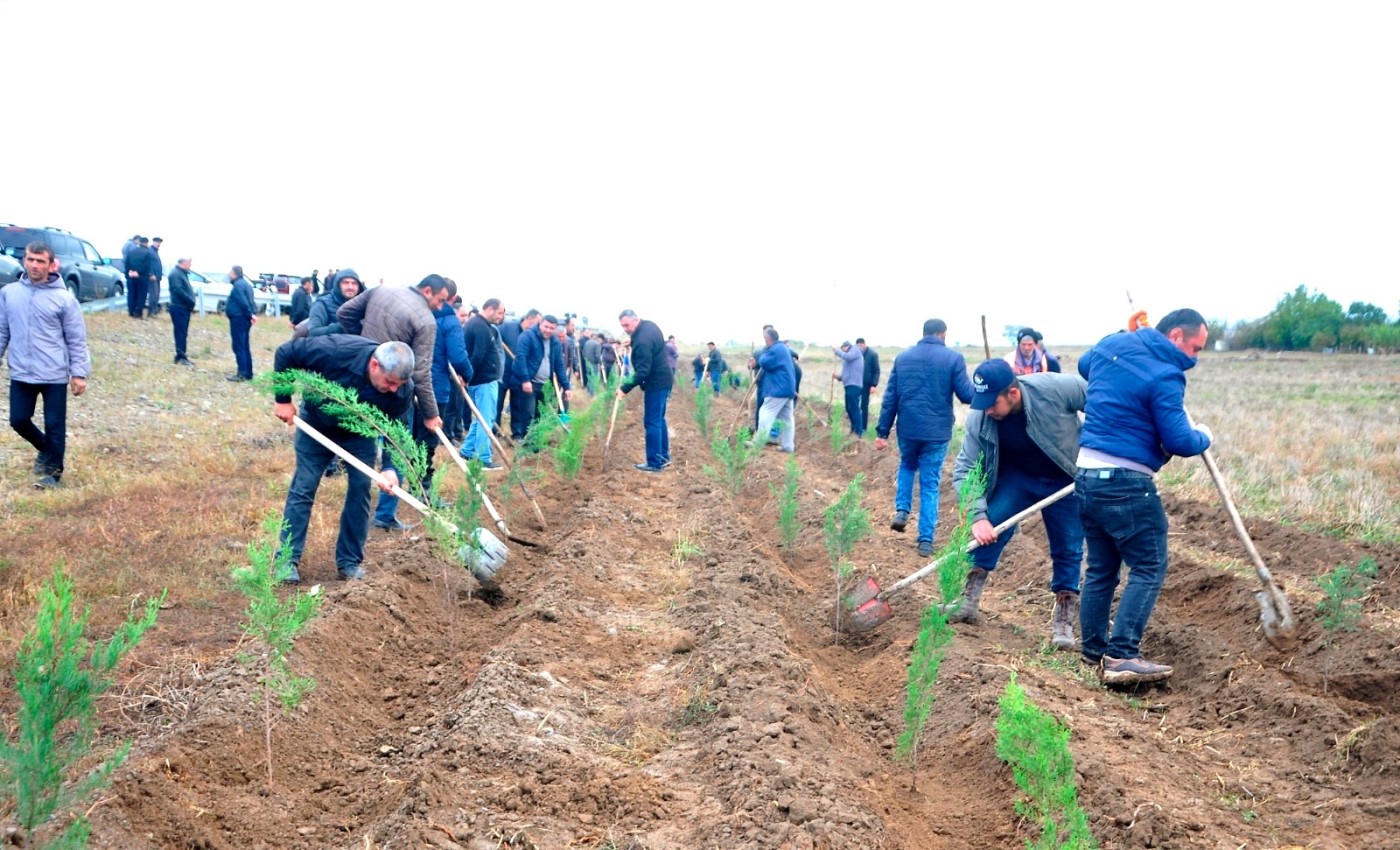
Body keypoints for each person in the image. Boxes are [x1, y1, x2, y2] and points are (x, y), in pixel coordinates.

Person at [1076, 308, 1213, 686]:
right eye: (1195, 348)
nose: (1195, 358)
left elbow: (1087, 365)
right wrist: (1203, 434)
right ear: (1174, 337)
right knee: (1150, 565)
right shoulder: (1166, 375)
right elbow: (1179, 442)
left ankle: (1092, 653)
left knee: (1102, 568)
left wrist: (1126, 333)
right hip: (1127, 482)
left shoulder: (1112, 344)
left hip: (1086, 476)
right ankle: (1121, 656)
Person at [948, 360, 1087, 649]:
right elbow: (964, 470)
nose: (986, 409)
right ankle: (967, 601)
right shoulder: (980, 417)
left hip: (1065, 478)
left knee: (1069, 547)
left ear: (1012, 393)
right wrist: (978, 517)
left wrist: (1099, 447)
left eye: (992, 403)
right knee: (991, 526)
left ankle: (1063, 621)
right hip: (1018, 478)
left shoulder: (1055, 388)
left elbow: (1104, 400)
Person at [272, 337, 415, 583]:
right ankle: (286, 560)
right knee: (304, 486)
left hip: (358, 434)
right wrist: (283, 398)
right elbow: (286, 352)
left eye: (398, 384)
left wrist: (390, 468)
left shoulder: (402, 389)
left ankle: (349, 562)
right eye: (390, 382)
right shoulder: (336, 351)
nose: (394, 389)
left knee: (360, 489)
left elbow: (397, 430)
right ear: (374, 365)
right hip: (316, 423)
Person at [338, 274, 451, 531]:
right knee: (398, 449)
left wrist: (365, 348)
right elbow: (421, 373)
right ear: (427, 291)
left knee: (363, 444)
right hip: (395, 391)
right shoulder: (425, 321)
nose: (440, 306)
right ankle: (385, 515)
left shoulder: (382, 290)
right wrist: (430, 413)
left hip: (365, 377)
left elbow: (345, 313)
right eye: (440, 300)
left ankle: (360, 511)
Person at [874, 319, 974, 558]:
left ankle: (901, 510)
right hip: (937, 432)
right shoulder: (953, 359)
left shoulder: (903, 358)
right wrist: (985, 387)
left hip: (908, 427)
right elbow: (966, 395)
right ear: (943, 334)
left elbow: (890, 398)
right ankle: (926, 541)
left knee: (907, 465)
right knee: (930, 484)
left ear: (924, 333)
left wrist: (882, 432)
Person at [0, 242, 91, 488]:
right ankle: (46, 449)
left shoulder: (64, 299)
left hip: (53, 374)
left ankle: (53, 475)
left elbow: (76, 339)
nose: (34, 265)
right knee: (18, 420)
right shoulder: (9, 293)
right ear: (24, 261)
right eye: (30, 259)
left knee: (55, 426)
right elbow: (2, 330)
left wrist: (79, 374)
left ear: (51, 265)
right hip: (21, 371)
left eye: (40, 261)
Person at [618, 309, 673, 472]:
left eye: (627, 325)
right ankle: (663, 457)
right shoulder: (649, 326)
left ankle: (654, 463)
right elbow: (645, 342)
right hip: (665, 379)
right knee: (659, 419)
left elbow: (642, 372)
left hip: (656, 382)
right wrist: (632, 341)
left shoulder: (642, 339)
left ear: (635, 320)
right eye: (622, 326)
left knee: (652, 421)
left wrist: (624, 388)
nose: (625, 329)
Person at [461, 298, 505, 468]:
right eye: (500, 312)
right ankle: (483, 459)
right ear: (490, 309)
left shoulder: (482, 325)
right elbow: (477, 355)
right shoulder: (479, 327)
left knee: (482, 418)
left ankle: (467, 450)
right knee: (485, 420)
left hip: (484, 380)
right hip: (483, 381)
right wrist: (468, 376)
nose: (500, 317)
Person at [509, 314, 568, 441]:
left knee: (541, 414)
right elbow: (521, 358)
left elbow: (559, 365)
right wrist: (525, 380)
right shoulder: (527, 336)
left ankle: (537, 441)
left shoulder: (555, 341)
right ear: (540, 324)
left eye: (551, 328)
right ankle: (527, 443)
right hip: (529, 383)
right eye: (546, 326)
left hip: (545, 384)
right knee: (528, 414)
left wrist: (567, 387)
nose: (548, 330)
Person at [747, 327, 796, 453]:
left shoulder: (775, 349)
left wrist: (761, 357)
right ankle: (788, 446)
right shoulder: (782, 348)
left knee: (765, 413)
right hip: (787, 389)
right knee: (787, 419)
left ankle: (758, 442)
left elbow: (765, 362)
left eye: (764, 337)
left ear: (767, 338)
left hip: (778, 389)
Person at [498, 309, 540, 433]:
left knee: (517, 405)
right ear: (530, 318)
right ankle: (495, 431)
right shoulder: (506, 328)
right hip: (502, 373)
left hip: (519, 375)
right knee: (497, 404)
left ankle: (516, 432)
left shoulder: (532, 336)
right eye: (537, 322)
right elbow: (494, 338)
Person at [306, 268, 364, 337]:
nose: (350, 287)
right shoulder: (322, 304)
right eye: (345, 283)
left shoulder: (363, 305)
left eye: (354, 283)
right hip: (332, 346)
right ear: (338, 285)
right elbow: (313, 333)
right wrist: (343, 326)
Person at [225, 265, 257, 381]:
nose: (228, 274)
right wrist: (253, 314)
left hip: (239, 318)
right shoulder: (247, 285)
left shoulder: (238, 285)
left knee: (239, 346)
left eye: (230, 272)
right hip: (245, 319)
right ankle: (248, 373)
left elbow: (243, 301)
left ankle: (242, 373)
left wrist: (250, 314)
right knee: (245, 346)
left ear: (234, 273)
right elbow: (251, 301)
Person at [168, 258, 196, 366]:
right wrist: (190, 300)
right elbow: (178, 290)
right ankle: (180, 356)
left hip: (184, 308)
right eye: (189, 263)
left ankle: (182, 355)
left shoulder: (181, 273)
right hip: (179, 307)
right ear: (184, 263)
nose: (190, 265)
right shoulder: (175, 274)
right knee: (180, 332)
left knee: (183, 333)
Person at [834, 341, 865, 436]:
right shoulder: (849, 358)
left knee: (854, 408)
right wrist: (838, 377)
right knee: (849, 408)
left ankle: (859, 432)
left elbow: (847, 356)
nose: (843, 351)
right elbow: (847, 374)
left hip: (854, 385)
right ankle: (853, 428)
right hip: (848, 385)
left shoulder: (855, 349)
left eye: (842, 348)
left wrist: (837, 351)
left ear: (846, 347)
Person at [125, 237, 154, 319]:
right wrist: (138, 272)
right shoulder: (147, 252)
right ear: (146, 243)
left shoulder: (131, 251)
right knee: (142, 294)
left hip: (131, 276)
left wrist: (130, 272)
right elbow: (146, 266)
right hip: (142, 277)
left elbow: (126, 263)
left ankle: (131, 311)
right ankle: (138, 312)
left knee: (132, 294)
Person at [859, 338, 879, 435]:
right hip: (857, 383)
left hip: (867, 384)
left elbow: (876, 371)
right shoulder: (857, 354)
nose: (859, 348)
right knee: (855, 406)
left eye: (860, 346)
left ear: (864, 344)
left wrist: (874, 385)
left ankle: (863, 428)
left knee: (864, 406)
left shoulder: (872, 354)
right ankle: (855, 427)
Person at [147, 237, 164, 316]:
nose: (159, 244)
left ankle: (153, 311)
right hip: (152, 277)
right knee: (153, 295)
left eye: (160, 242)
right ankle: (152, 312)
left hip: (157, 277)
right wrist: (151, 274)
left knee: (156, 295)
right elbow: (149, 264)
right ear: (153, 242)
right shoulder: (150, 251)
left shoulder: (155, 252)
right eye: (157, 242)